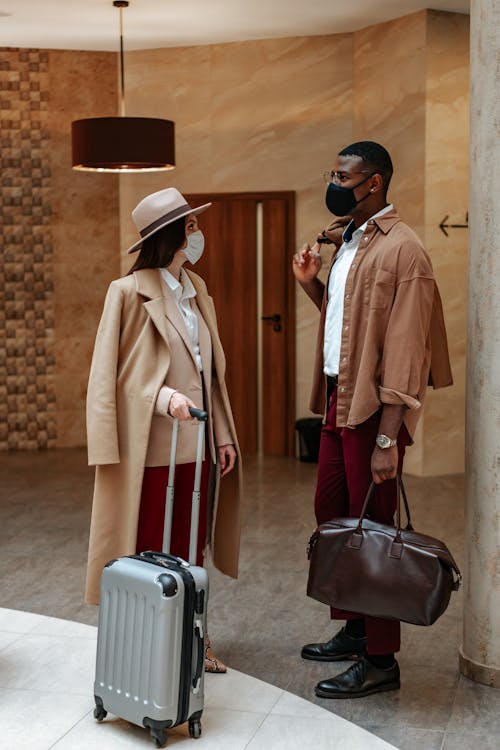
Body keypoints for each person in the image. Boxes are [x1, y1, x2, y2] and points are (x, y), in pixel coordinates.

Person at [293, 141, 453, 698]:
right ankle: (357, 629)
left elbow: (408, 354)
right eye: (332, 171)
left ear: (375, 182)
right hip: (341, 399)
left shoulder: (405, 251)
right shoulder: (349, 242)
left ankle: (382, 660)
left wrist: (388, 435)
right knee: (334, 514)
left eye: (343, 175)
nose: (334, 182)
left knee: (377, 530)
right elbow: (351, 328)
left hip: (371, 412)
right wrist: (313, 283)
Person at [85, 187, 242, 673]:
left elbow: (208, 371)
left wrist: (222, 434)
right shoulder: (127, 292)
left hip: (197, 444)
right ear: (173, 235)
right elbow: (111, 375)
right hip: (150, 447)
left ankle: (196, 639)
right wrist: (162, 398)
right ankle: (147, 646)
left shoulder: (198, 291)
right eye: (192, 226)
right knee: (151, 544)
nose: (198, 234)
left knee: (191, 547)